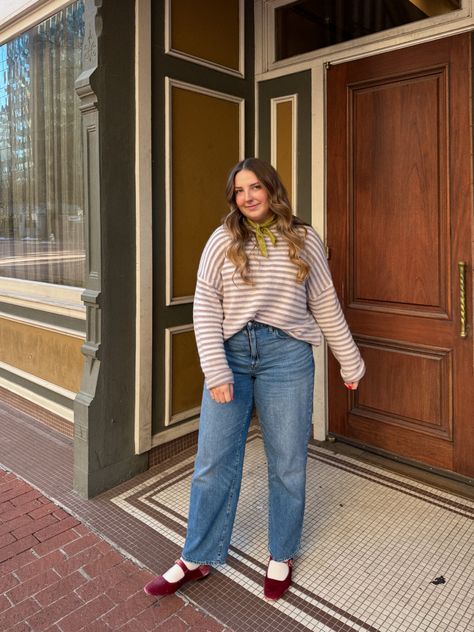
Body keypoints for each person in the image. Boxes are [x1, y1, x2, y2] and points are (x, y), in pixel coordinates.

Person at [144, 158, 365, 601]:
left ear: (272, 189)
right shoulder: (221, 240)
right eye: (239, 190)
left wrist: (350, 360)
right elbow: (204, 308)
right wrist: (216, 369)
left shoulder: (304, 239)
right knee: (213, 461)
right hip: (232, 353)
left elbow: (324, 301)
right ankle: (197, 555)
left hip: (287, 356)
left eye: (255, 187)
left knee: (287, 461)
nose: (247, 196)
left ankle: (281, 553)